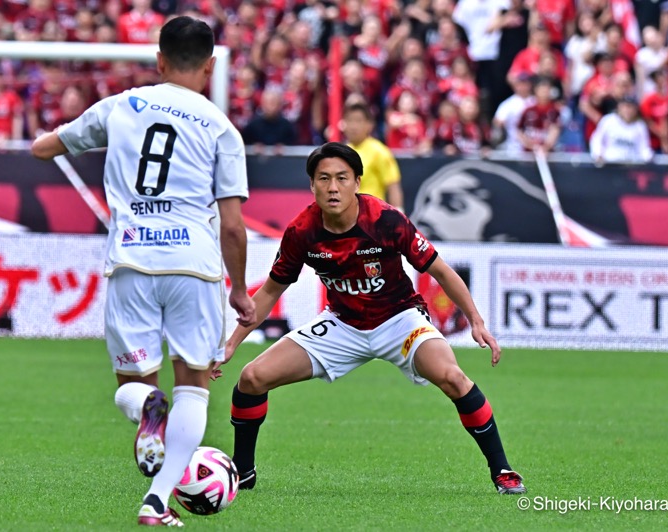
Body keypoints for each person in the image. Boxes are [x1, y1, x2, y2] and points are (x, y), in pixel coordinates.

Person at [31, 16, 256, 527]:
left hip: (132, 259)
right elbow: (235, 227)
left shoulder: (121, 106)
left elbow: (47, 147)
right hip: (193, 267)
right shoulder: (221, 128)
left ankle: (145, 407)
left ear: (158, 60)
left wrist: (41, 145)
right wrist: (239, 290)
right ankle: (155, 502)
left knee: (129, 384)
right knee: (195, 386)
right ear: (211, 66)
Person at [216, 142, 527, 496]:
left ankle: (502, 469)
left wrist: (476, 320)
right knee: (252, 378)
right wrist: (231, 343)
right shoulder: (302, 230)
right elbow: (270, 291)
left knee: (453, 378)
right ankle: (243, 472)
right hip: (342, 324)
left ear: (357, 182)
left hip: (399, 320)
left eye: (341, 178)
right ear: (312, 185)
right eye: (324, 179)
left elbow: (440, 270)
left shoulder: (385, 219)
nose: (333, 187)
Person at [341, 102, 404, 211]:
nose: (353, 126)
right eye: (350, 121)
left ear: (369, 125)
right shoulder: (341, 153)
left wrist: (398, 216)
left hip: (372, 217)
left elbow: (393, 186)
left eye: (358, 121)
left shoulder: (379, 151)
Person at [590, 96, 654, 164]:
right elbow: (596, 139)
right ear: (619, 107)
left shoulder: (640, 126)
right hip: (610, 164)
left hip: (631, 165)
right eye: (625, 107)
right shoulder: (608, 121)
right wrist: (598, 154)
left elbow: (643, 148)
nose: (627, 110)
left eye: (630, 107)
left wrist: (648, 157)